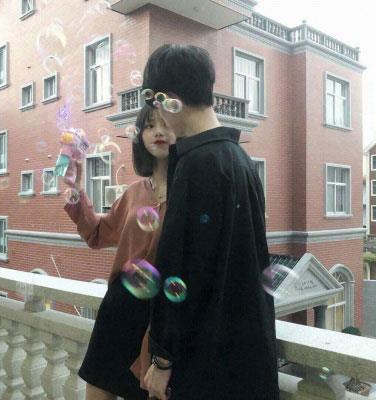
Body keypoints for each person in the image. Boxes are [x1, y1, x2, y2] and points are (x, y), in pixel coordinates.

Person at [142, 44, 280, 400]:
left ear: (169, 100)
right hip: (248, 358)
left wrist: (162, 358)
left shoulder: (195, 164)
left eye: (156, 102)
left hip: (206, 365)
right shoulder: (242, 159)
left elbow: (180, 267)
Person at [64, 105, 175, 400]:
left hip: (161, 320)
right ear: (141, 138)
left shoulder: (191, 192)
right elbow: (98, 233)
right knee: (97, 389)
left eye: (166, 123)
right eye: (150, 125)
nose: (158, 131)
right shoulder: (133, 193)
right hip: (118, 310)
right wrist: (77, 189)